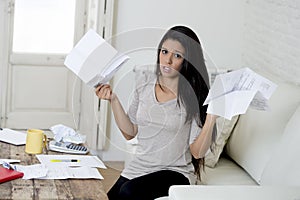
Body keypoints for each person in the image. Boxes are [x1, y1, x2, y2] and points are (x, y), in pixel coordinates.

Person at [95, 25, 217, 200]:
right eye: (164, 52)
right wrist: (113, 99)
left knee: (128, 192)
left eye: (177, 55)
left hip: (176, 172)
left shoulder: (192, 98)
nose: (167, 61)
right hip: (140, 167)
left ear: (187, 61)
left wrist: (212, 117)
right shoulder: (144, 84)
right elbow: (130, 133)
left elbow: (197, 152)